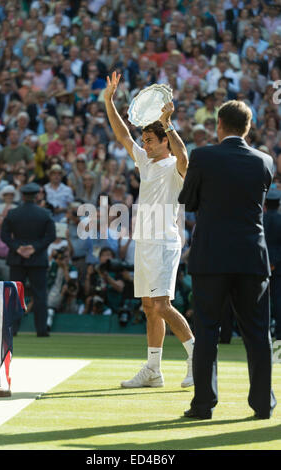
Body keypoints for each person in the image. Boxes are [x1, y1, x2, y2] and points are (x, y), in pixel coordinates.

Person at [179, 100, 277, 420]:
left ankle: (203, 405)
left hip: (212, 257)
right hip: (251, 257)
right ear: (248, 127)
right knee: (257, 333)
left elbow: (189, 201)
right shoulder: (265, 161)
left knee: (207, 330)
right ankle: (263, 405)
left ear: (219, 123)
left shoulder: (203, 156)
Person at [104, 71, 194, 389]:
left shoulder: (175, 165)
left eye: (150, 140)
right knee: (148, 308)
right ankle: (153, 370)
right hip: (144, 243)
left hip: (165, 242)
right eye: (144, 140)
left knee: (162, 305)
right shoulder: (145, 162)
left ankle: (197, 359)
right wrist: (108, 101)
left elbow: (184, 156)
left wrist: (169, 122)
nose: (144, 144)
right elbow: (122, 136)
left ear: (164, 141)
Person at [1, 182, 56, 337]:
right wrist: (34, 248)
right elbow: (51, 236)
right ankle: (41, 330)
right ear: (36, 196)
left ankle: (12, 329)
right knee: (40, 295)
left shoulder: (12, 214)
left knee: (14, 295)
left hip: (17, 259)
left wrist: (18, 247)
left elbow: (4, 235)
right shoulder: (45, 214)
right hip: (37, 259)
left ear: (23, 196)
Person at [263, 189, 281, 340]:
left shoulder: (260, 219)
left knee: (260, 300)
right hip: (278, 265)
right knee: (278, 299)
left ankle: (263, 331)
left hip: (260, 263)